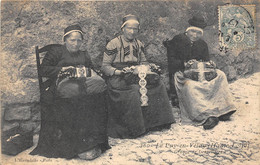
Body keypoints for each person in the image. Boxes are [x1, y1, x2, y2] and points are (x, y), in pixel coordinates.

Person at [30, 24, 110, 160]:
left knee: (97, 97)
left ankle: (93, 142)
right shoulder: (56, 52)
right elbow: (43, 70)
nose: (76, 43)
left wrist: (87, 73)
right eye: (72, 40)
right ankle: (76, 145)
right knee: (76, 100)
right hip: (59, 86)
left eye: (79, 40)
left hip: (81, 86)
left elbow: (90, 69)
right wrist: (61, 70)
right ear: (65, 40)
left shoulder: (84, 54)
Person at [101, 14, 175, 139]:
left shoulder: (139, 44)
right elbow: (105, 66)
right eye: (129, 28)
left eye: (135, 29)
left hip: (136, 73)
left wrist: (149, 67)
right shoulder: (114, 44)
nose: (132, 31)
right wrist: (120, 72)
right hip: (118, 76)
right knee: (134, 90)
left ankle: (156, 123)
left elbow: (143, 62)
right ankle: (134, 128)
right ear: (122, 29)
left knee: (157, 84)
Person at [166, 15, 236, 130]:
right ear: (187, 31)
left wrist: (210, 64)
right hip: (182, 73)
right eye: (192, 32)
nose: (195, 35)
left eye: (198, 33)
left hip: (200, 72)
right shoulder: (177, 40)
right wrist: (185, 64)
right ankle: (205, 116)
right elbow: (171, 61)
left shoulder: (202, 44)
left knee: (220, 75)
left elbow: (206, 60)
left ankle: (224, 109)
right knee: (191, 86)